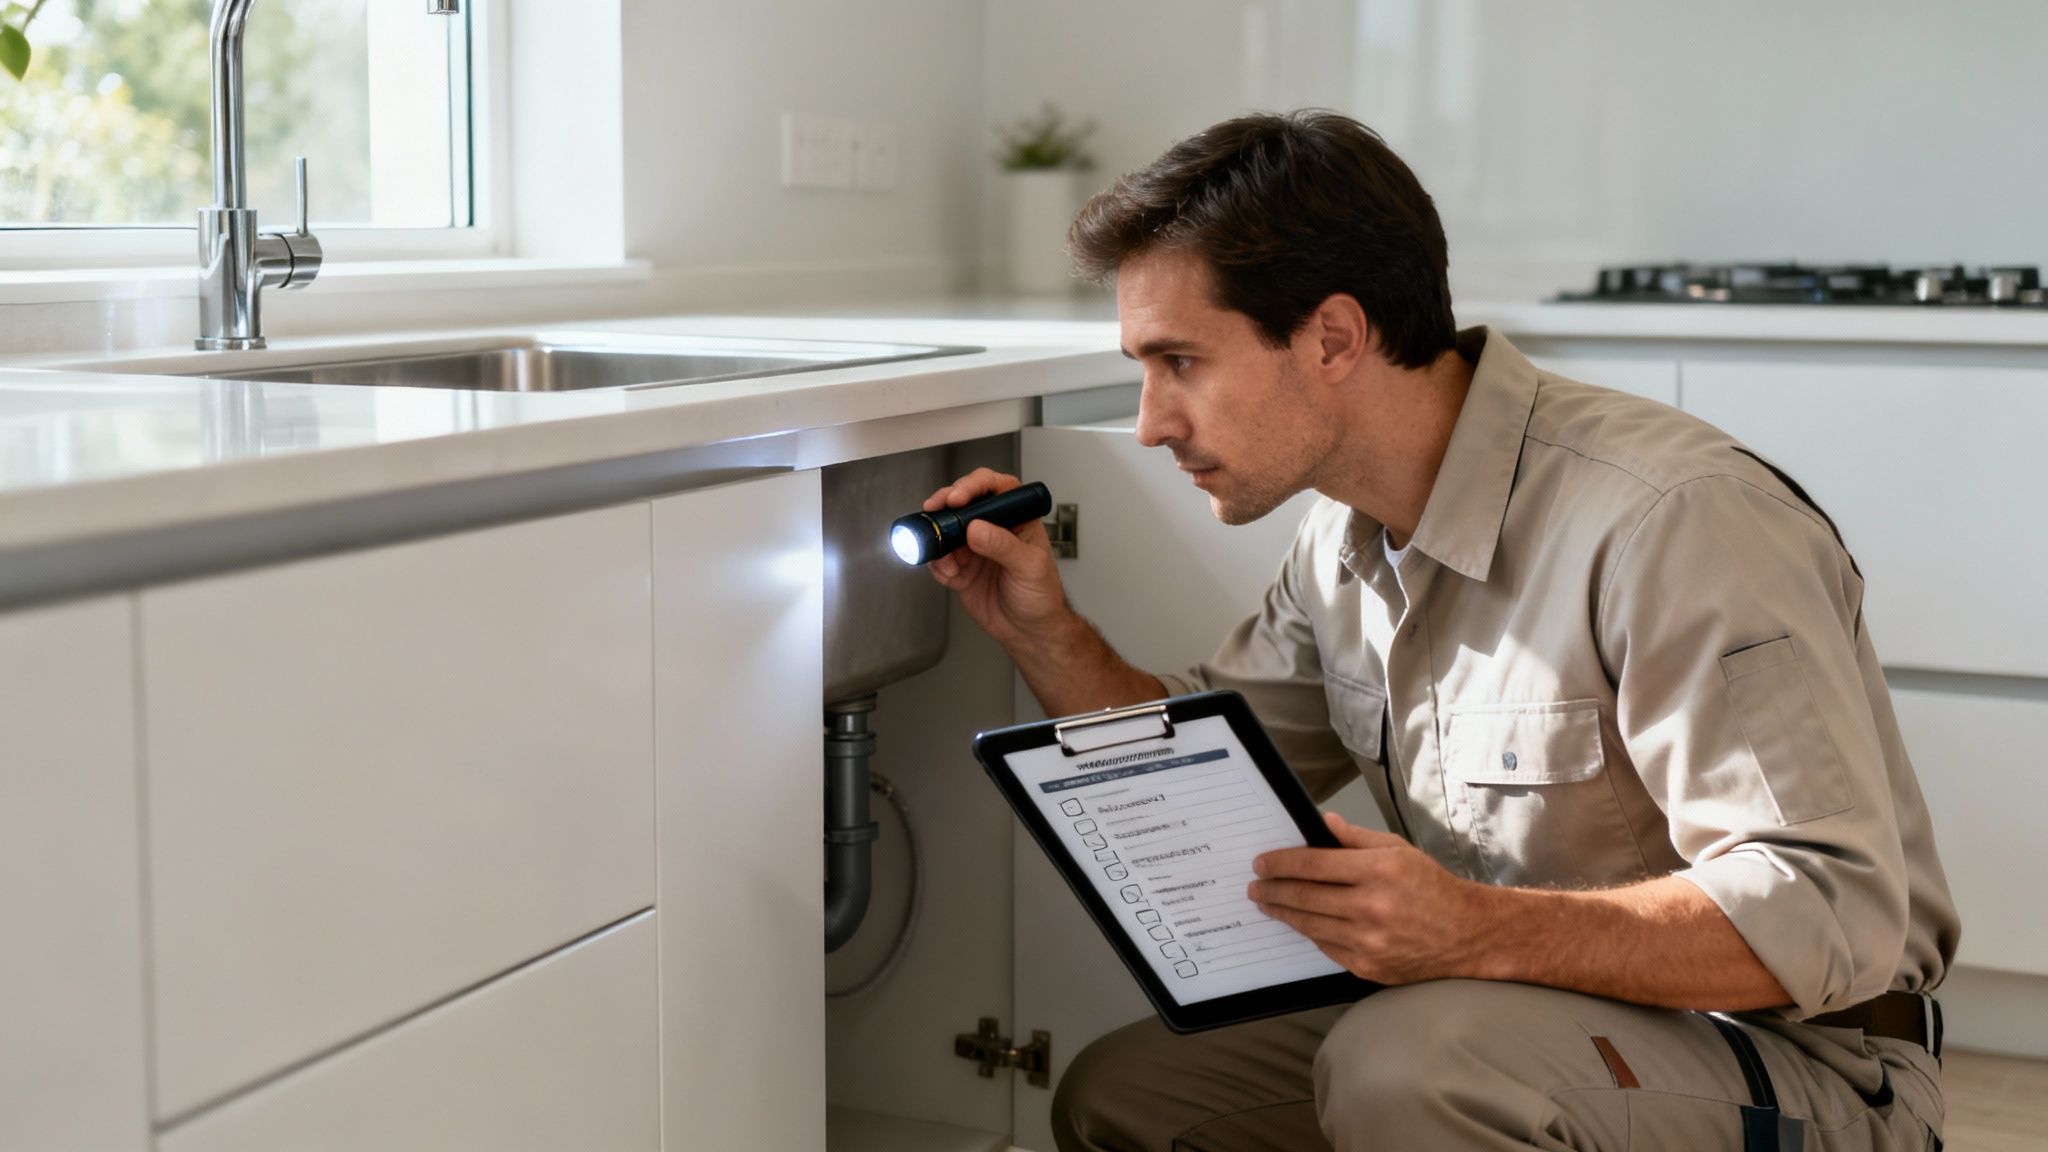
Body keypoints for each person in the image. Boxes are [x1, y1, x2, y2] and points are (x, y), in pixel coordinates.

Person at [920, 110, 1959, 1151]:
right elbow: (1204, 778)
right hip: (1516, 1009)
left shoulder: (1669, 519)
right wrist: (1042, 630)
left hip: (1800, 1059)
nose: (1149, 421)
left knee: (1414, 1069)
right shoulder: (1342, 546)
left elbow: (1828, 910)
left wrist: (1466, 927)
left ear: (1332, 337)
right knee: (1131, 1096)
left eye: (1179, 361)